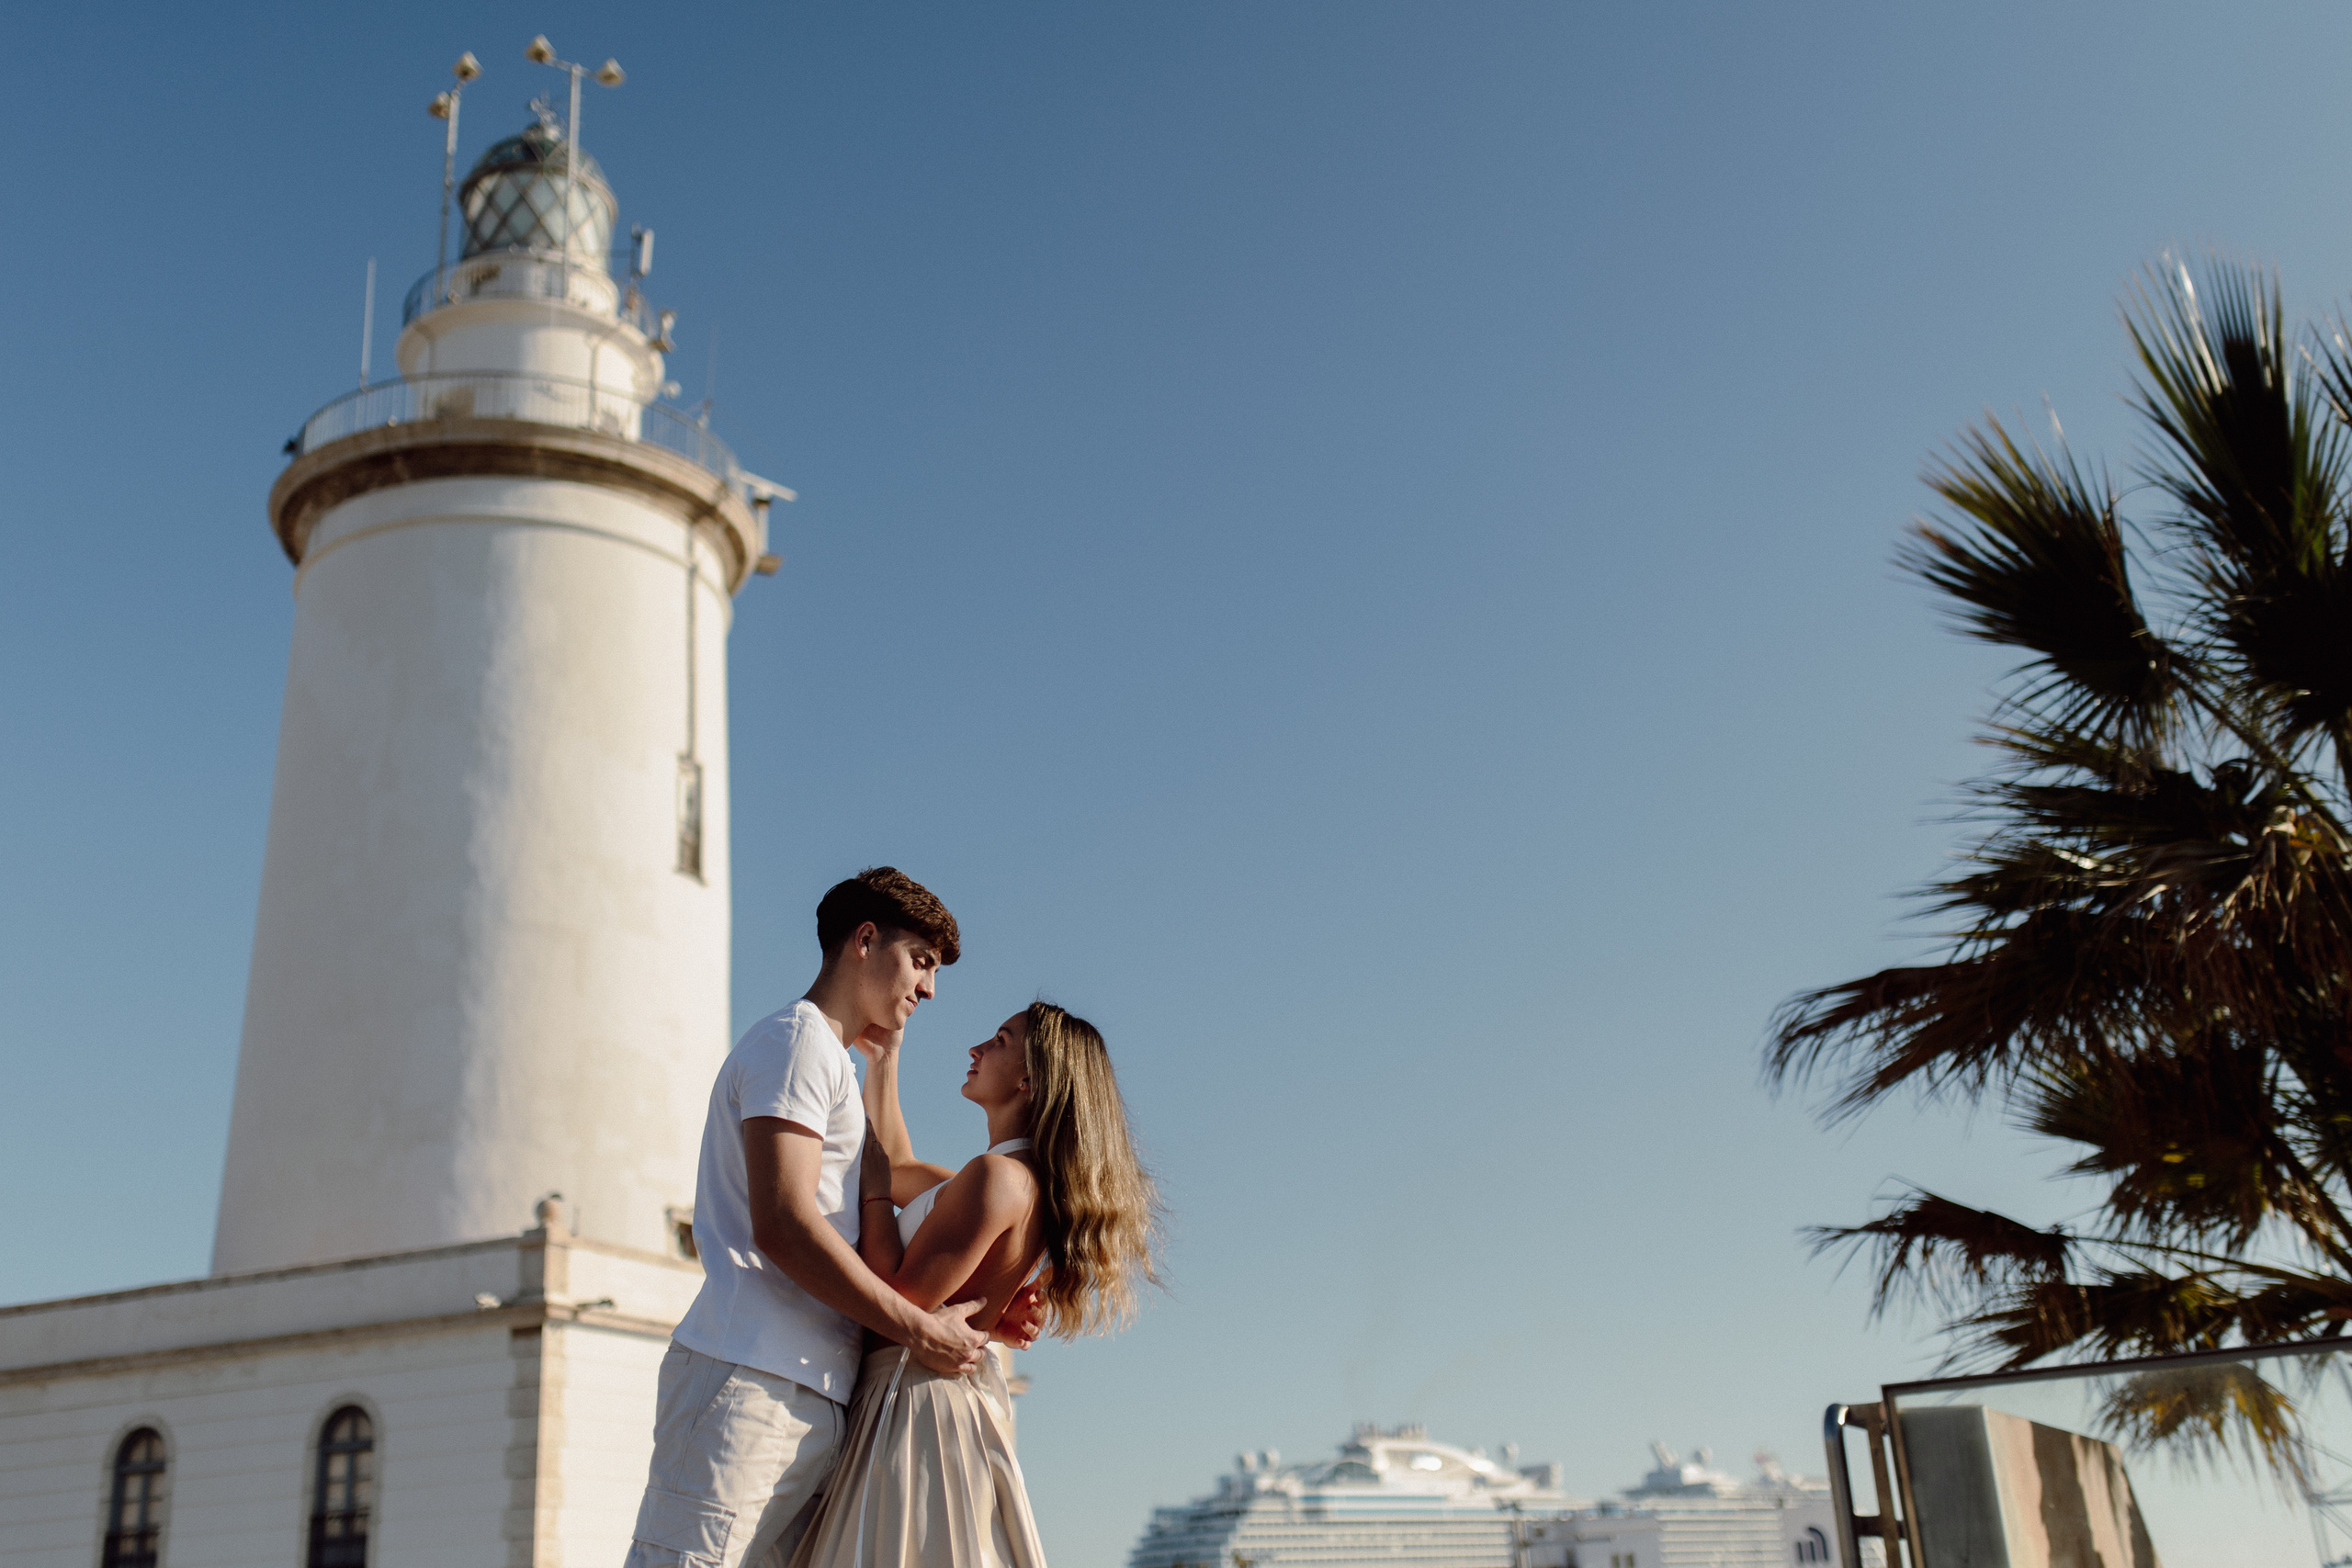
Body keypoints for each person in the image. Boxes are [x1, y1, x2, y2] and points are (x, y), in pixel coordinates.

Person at [626, 868, 1041, 1568]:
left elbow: (922, 1192)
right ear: (865, 939)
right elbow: (784, 1221)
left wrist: (1008, 1275)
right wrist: (919, 1326)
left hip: (808, 1390)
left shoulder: (832, 1065)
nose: (930, 988)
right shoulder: (797, 1043)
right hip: (749, 1375)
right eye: (922, 961)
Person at [786, 1001, 1162, 1568]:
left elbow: (897, 1297)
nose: (977, 1048)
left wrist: (873, 1194)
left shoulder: (997, 1180)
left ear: (1029, 1079)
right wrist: (884, 1059)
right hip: (921, 1398)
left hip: (912, 1407)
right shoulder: (1001, 1178)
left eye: (1001, 1040)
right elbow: (899, 1161)